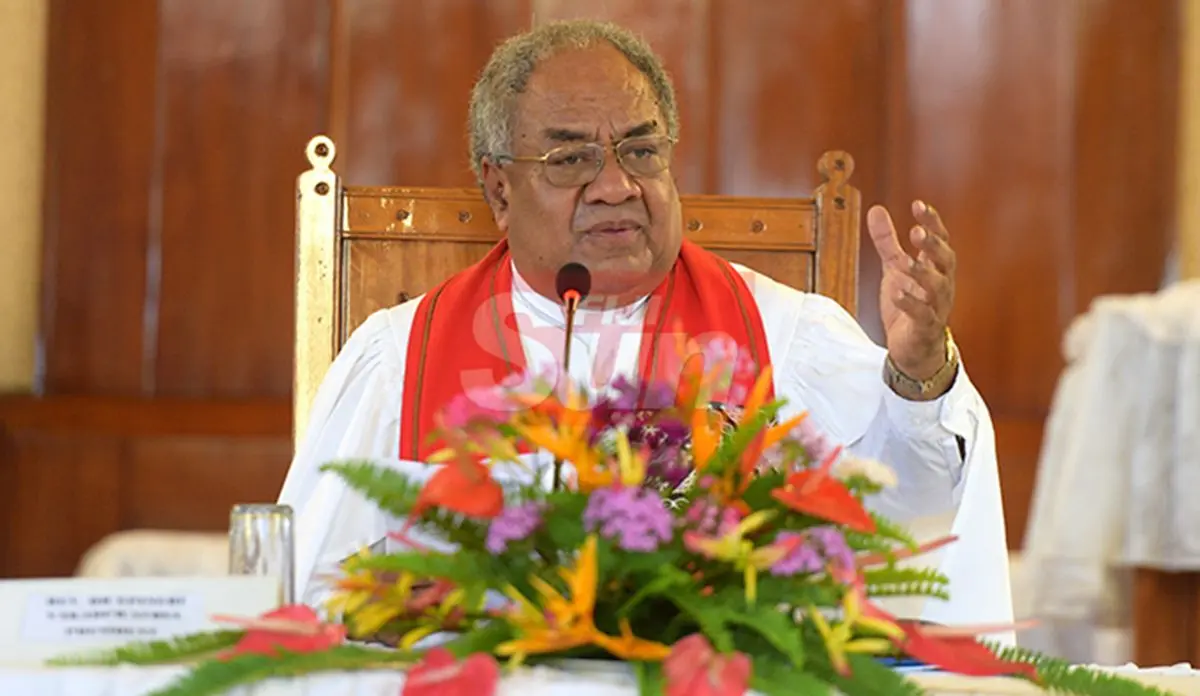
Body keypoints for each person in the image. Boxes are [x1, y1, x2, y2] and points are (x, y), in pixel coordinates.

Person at [278, 19, 1013, 638]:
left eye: (640, 149)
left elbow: (911, 529)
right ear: (499, 189)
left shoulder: (784, 336)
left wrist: (918, 376)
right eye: (571, 159)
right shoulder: (402, 355)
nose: (616, 185)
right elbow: (308, 601)